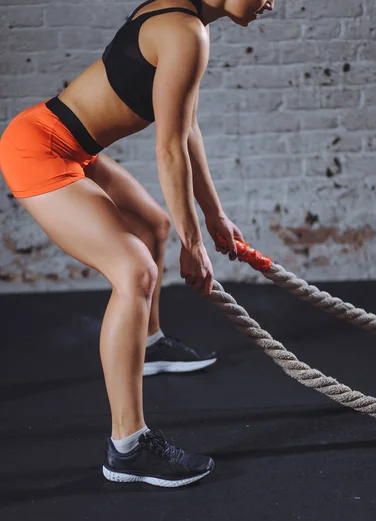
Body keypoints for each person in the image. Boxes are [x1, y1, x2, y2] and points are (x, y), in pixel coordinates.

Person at [0, 0, 274, 487]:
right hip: (40, 150)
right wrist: (196, 244)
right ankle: (127, 446)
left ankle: (146, 345)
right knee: (136, 271)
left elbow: (186, 129)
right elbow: (167, 149)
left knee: (153, 227)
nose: (271, 2)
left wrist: (212, 217)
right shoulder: (185, 31)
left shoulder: (177, 17)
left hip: (72, 146)